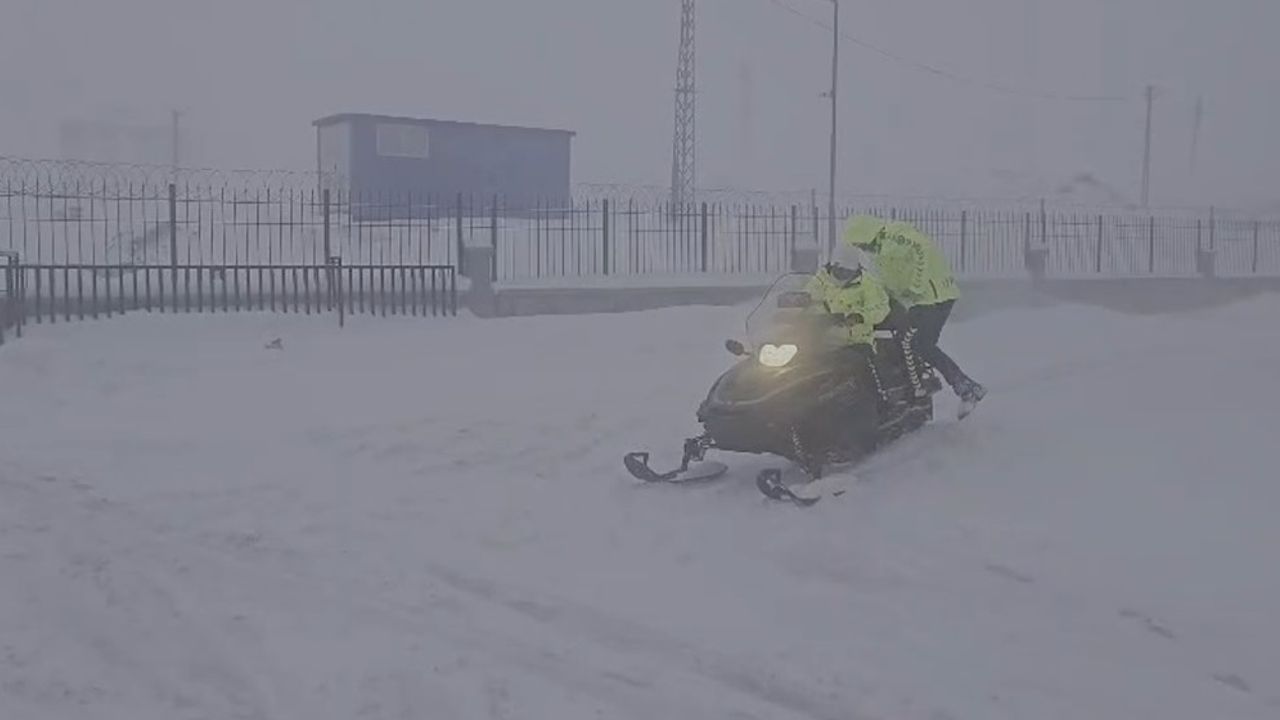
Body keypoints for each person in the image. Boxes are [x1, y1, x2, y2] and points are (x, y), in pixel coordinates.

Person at [842, 213, 987, 418]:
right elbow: (889, 282)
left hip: (935, 297)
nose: (863, 249)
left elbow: (921, 248)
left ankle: (964, 387)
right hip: (920, 301)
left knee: (919, 344)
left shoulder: (893, 234)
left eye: (862, 244)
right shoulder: (880, 252)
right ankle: (913, 386)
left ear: (868, 234)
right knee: (904, 339)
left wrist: (917, 285)